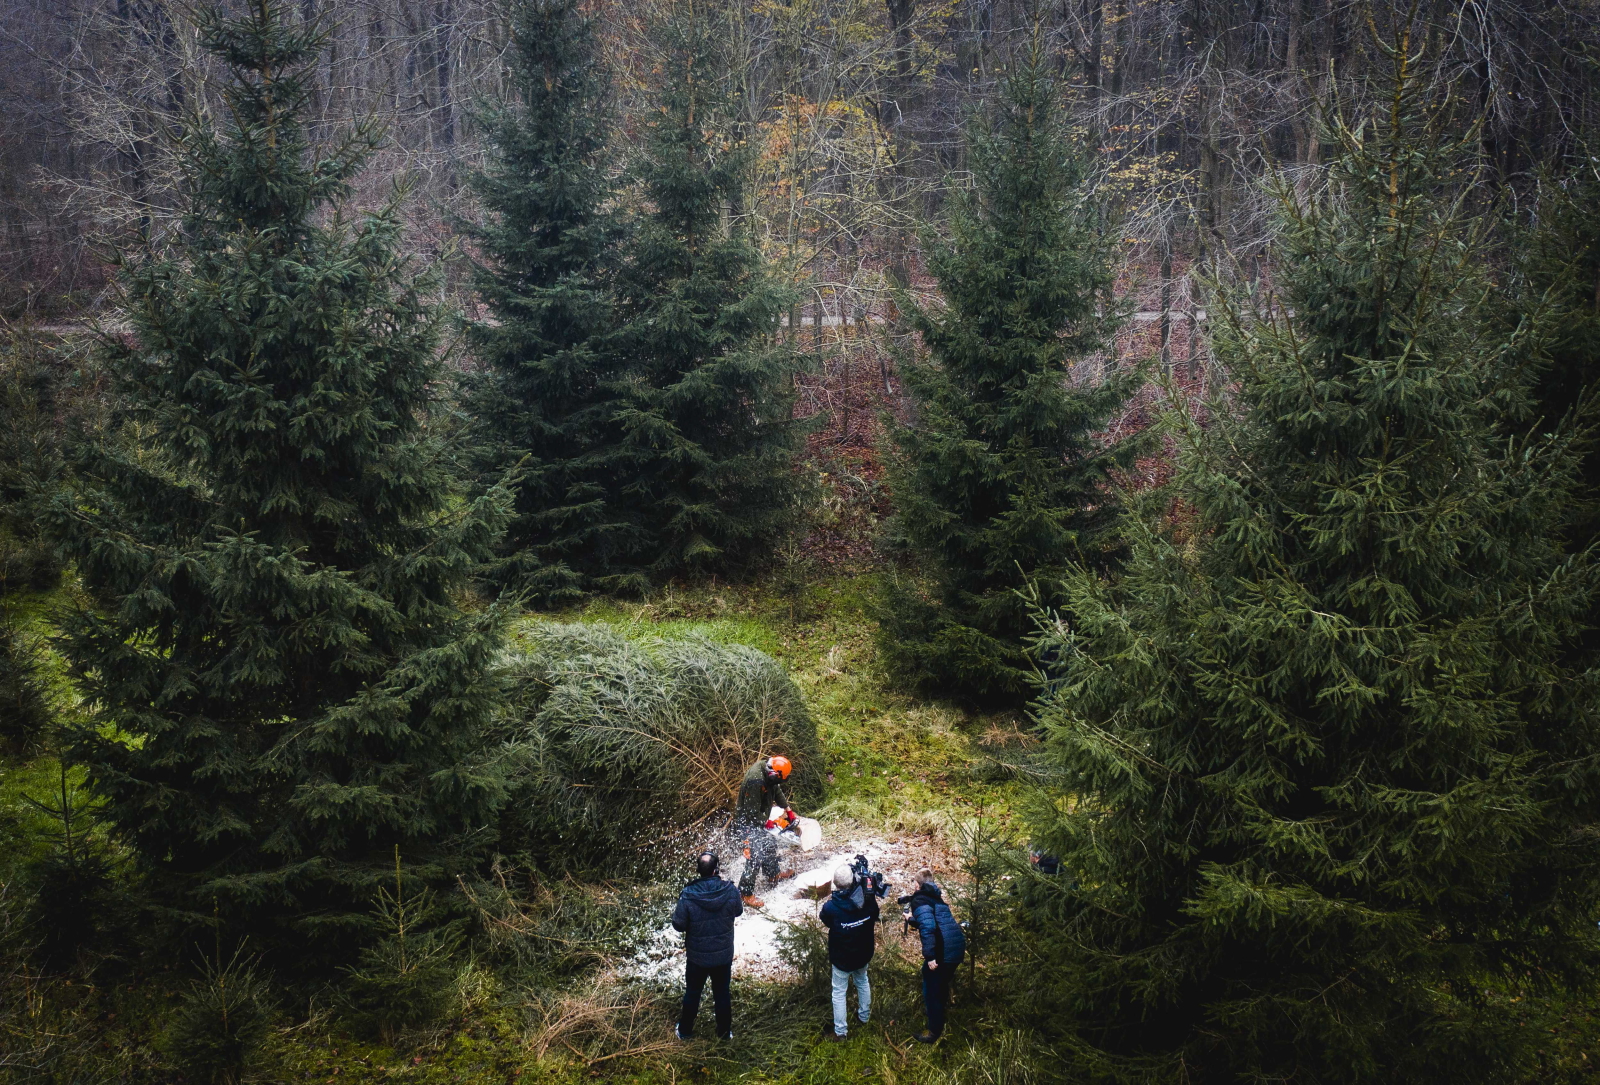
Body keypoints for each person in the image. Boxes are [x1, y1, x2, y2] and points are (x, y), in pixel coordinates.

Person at [671, 851, 743, 1041]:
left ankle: (685, 1031)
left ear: (698, 871)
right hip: (723, 956)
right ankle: (724, 1033)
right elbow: (738, 911)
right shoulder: (730, 890)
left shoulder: (688, 894)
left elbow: (678, 925)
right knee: (722, 993)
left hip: (697, 957)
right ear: (716, 869)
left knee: (693, 993)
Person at [903, 867, 965, 1043]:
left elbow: (929, 927)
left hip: (944, 950)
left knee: (931, 988)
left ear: (917, 884)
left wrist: (930, 957)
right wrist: (911, 919)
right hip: (956, 946)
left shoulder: (919, 900)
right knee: (940, 982)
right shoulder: (935, 897)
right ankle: (939, 1011)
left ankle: (933, 1032)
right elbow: (931, 921)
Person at [728, 755, 799, 907]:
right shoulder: (756, 781)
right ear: (773, 774)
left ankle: (773, 874)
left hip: (759, 815)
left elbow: (776, 788)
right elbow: (751, 812)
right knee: (755, 854)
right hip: (747, 821)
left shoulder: (769, 771)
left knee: (770, 843)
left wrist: (788, 809)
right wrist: (767, 822)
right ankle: (745, 893)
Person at [818, 862, 878, 1040]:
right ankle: (864, 1017)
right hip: (863, 953)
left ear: (835, 885)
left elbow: (826, 920)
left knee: (839, 992)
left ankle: (841, 1031)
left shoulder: (831, 908)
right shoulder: (867, 901)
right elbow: (874, 915)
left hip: (842, 958)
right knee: (862, 981)